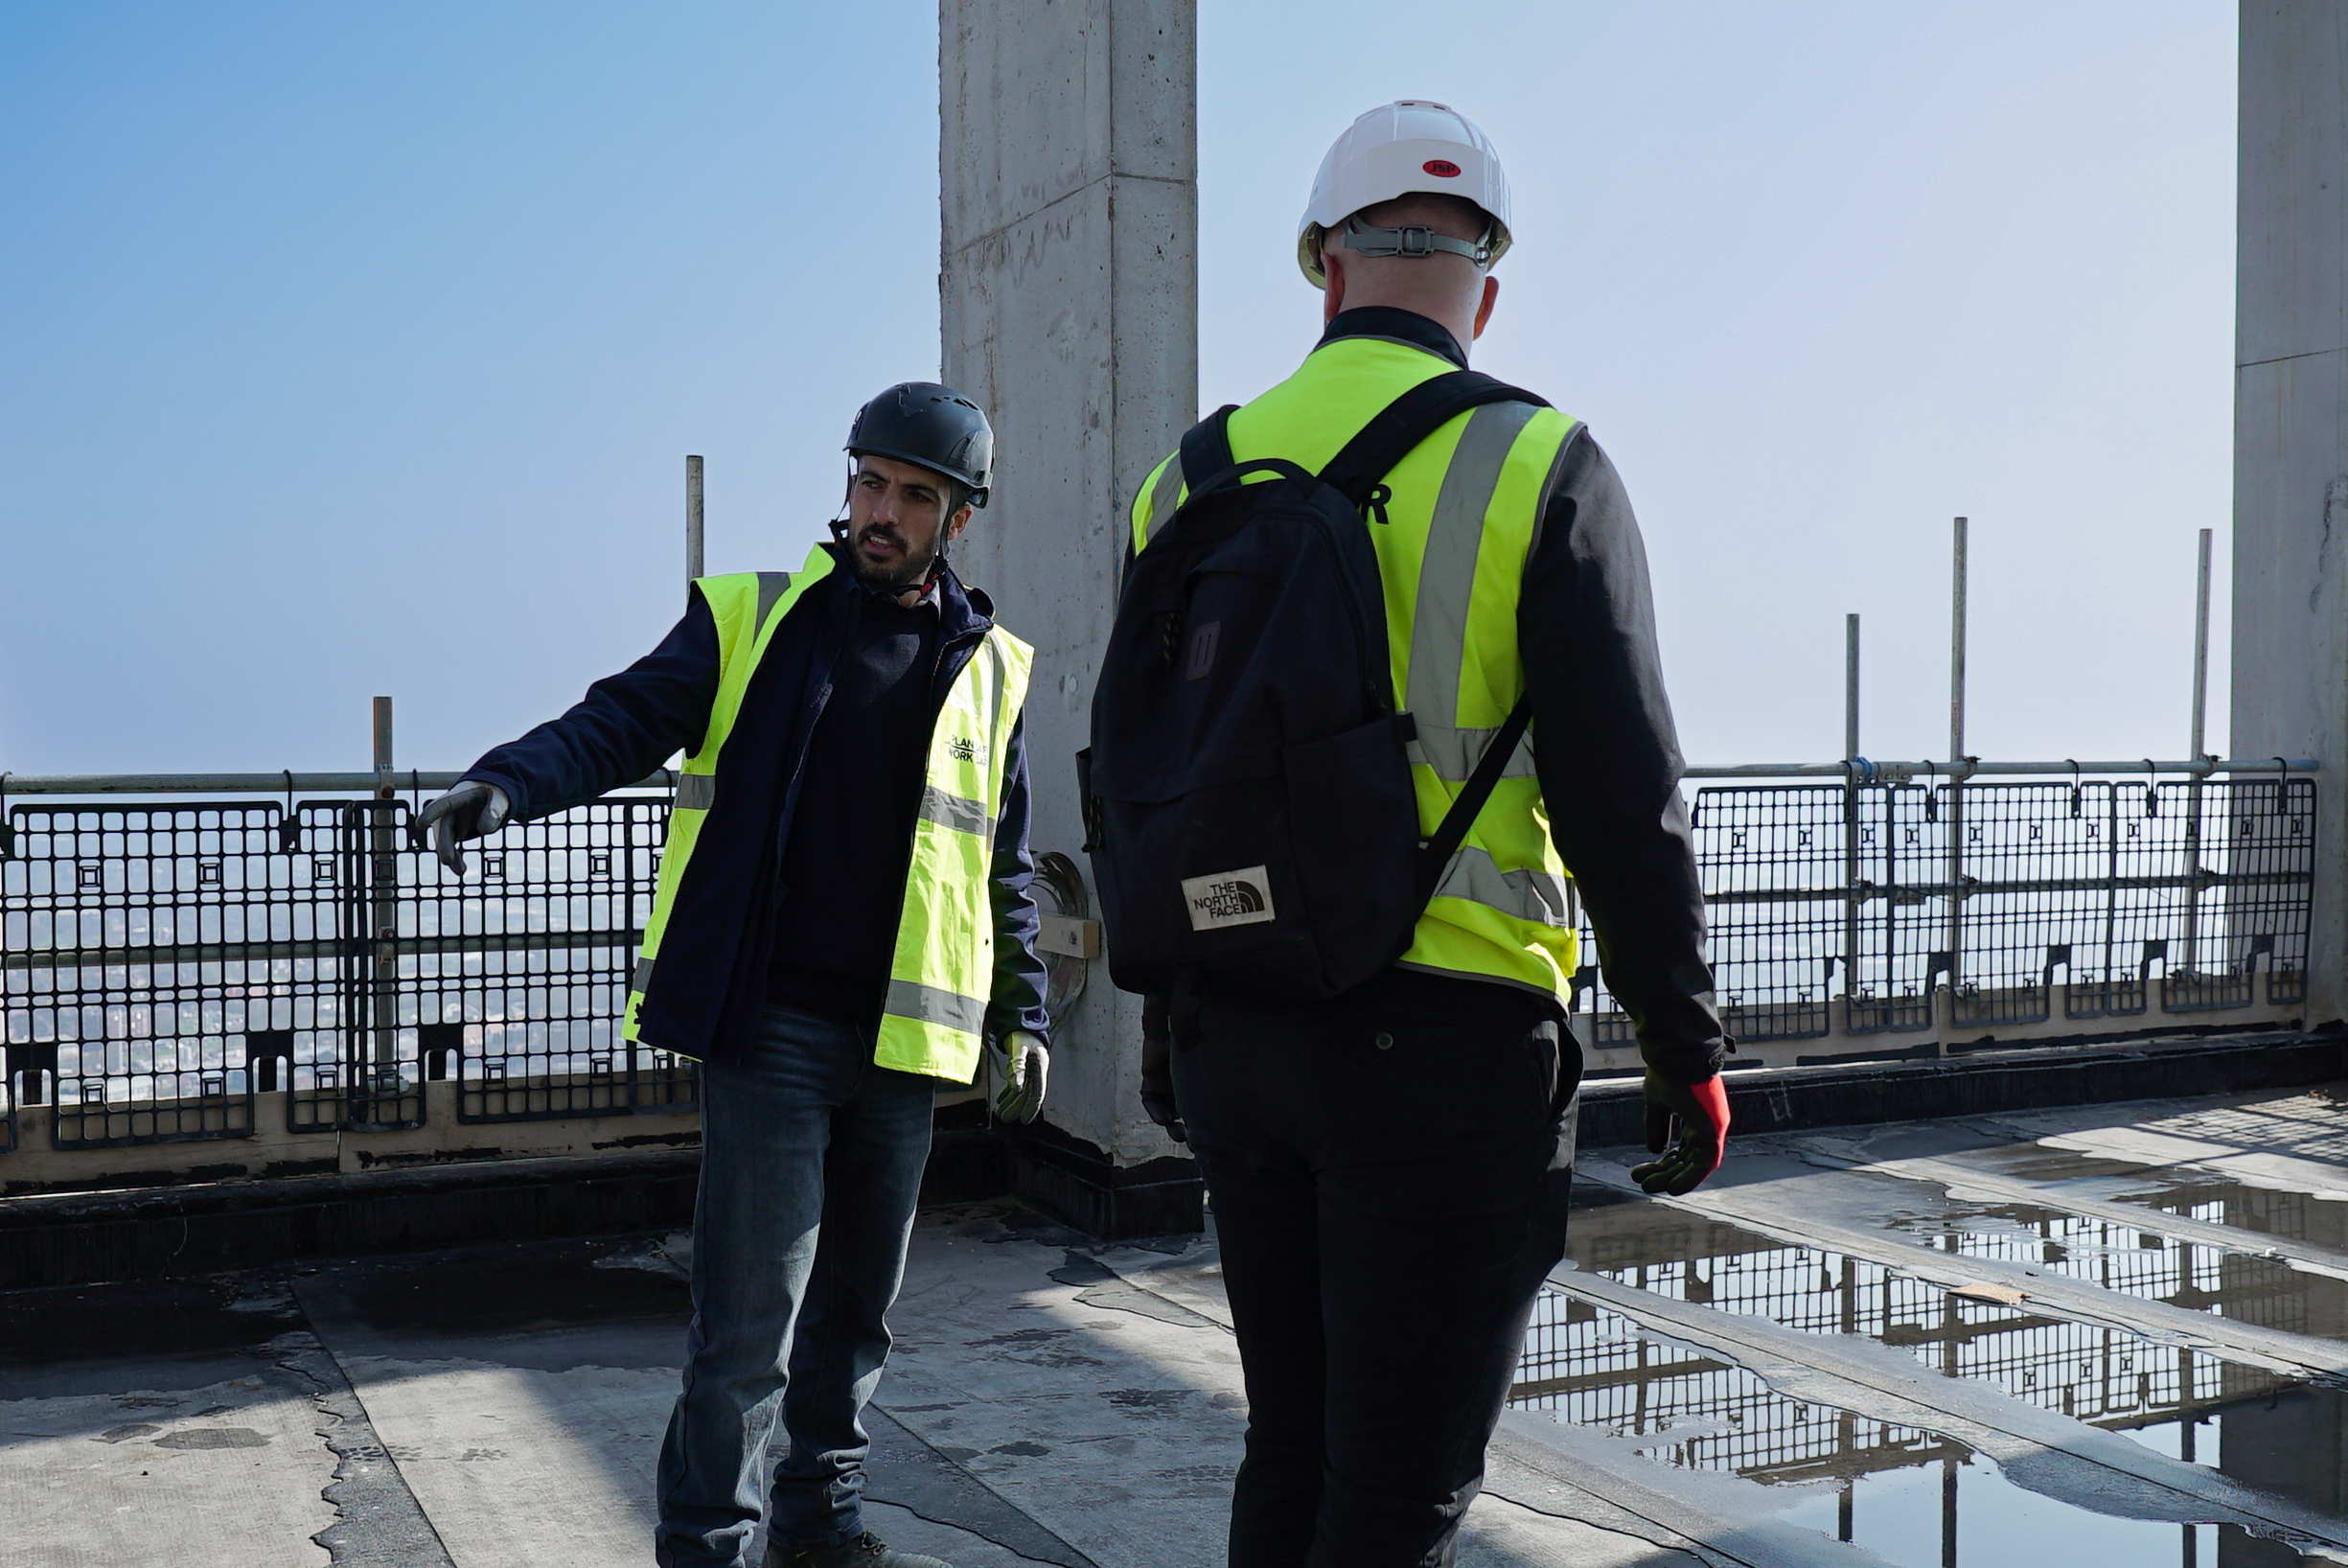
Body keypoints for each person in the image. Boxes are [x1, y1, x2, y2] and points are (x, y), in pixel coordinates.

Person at [1124, 102, 1734, 1566]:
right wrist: (1683, 1043)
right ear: (1485, 288)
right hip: (1447, 1043)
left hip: (1237, 1037)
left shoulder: (1185, 480)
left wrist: (1170, 1023)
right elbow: (1620, 794)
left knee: (1290, 1448)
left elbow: (1147, 775)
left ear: (1321, 267)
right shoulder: (1542, 462)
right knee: (1395, 1495)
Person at [410, 383, 1052, 1568]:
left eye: (913, 495)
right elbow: (621, 718)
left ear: (957, 518)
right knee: (750, 1326)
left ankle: (820, 1525)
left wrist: (1024, 1015)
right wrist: (507, 781)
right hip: (774, 1029)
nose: (881, 511)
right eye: (869, 482)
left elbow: (998, 861)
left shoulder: (991, 666)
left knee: (856, 1319)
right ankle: (708, 1543)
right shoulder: (751, 618)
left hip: (904, 1047)